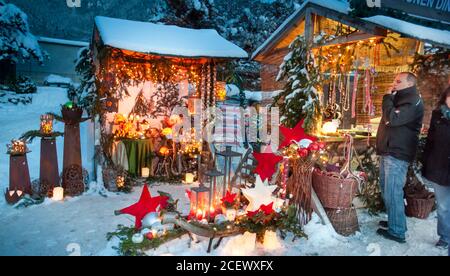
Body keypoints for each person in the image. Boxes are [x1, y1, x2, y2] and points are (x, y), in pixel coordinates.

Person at [376, 72, 424, 243]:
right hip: (389, 151)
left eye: (398, 81)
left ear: (409, 84)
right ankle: (394, 222)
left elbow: (392, 119)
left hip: (397, 153)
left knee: (393, 192)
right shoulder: (400, 98)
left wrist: (387, 97)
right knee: (387, 190)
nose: (394, 83)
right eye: (394, 80)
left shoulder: (412, 101)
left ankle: (397, 231)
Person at [422, 87, 450, 252]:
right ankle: (445, 237)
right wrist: (426, 164)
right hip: (439, 168)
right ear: (445, 97)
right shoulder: (437, 115)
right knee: (444, 206)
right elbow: (430, 142)